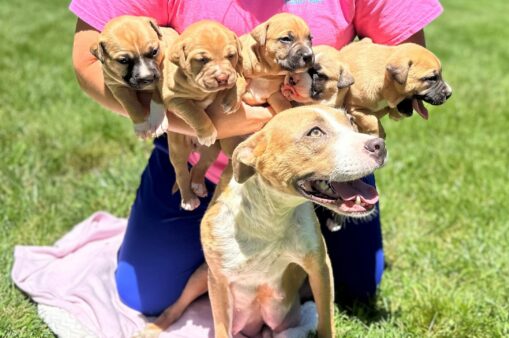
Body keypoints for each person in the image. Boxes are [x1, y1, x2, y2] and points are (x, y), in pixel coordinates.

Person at [70, 0, 443, 316]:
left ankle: (272, 261)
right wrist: (214, 123)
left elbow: (407, 65)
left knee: (357, 288)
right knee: (146, 294)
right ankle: (228, 254)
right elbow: (88, 63)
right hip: (205, 160)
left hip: (323, 169)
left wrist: (294, 123)